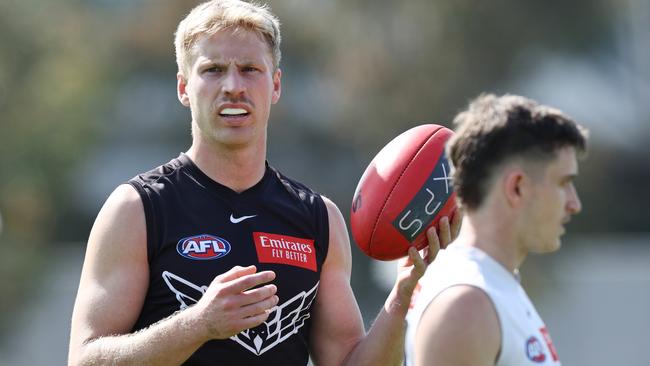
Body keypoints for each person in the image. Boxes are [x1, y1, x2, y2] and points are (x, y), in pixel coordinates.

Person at [67, 1, 460, 365]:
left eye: (250, 69)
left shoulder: (317, 218)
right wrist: (199, 324)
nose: (233, 86)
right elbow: (84, 359)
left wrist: (405, 293)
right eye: (213, 70)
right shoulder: (138, 209)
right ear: (184, 88)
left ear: (275, 86)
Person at [404, 93, 588, 366]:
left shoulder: (493, 287)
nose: (575, 204)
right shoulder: (467, 307)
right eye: (564, 183)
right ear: (517, 188)